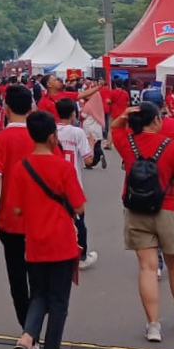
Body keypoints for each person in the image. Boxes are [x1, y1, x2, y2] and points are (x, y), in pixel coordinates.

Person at [112, 102, 174, 342]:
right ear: (156, 121)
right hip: (169, 208)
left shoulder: (127, 144)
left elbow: (115, 128)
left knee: (147, 268)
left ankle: (153, 324)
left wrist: (124, 114)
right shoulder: (171, 147)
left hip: (136, 210)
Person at [5, 110, 84, 349]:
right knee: (58, 303)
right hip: (61, 242)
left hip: (35, 242)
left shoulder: (21, 168)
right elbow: (79, 205)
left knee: (38, 293)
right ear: (53, 137)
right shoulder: (63, 167)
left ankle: (27, 337)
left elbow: (16, 208)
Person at [0, 84, 36, 330]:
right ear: (32, 107)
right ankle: (35, 328)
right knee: (39, 277)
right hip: (41, 218)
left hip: (10, 219)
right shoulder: (42, 135)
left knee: (17, 278)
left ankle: (27, 330)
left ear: (6, 108)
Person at [53, 98, 98, 269]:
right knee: (79, 220)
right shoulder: (77, 133)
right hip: (72, 182)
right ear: (73, 113)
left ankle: (58, 251)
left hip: (53, 181)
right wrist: (92, 145)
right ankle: (82, 255)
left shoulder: (52, 130)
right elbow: (88, 161)